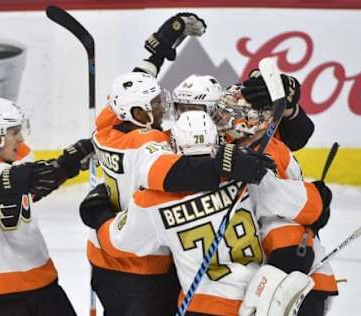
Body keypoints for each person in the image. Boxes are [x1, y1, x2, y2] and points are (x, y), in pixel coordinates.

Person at [88, 13, 275, 316]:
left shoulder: (105, 128)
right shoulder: (149, 145)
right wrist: (225, 163)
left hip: (105, 254)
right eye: (155, 103)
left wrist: (157, 53)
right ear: (137, 112)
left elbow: (131, 88)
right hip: (143, 266)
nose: (162, 107)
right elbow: (174, 175)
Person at [80, 110, 328, 316]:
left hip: (201, 307)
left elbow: (117, 243)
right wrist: (320, 194)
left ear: (174, 146)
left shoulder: (151, 201)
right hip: (256, 303)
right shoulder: (245, 179)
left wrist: (99, 212)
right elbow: (312, 206)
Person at [0, 97, 94, 316]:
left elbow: (31, 191)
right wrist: (9, 180)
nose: (21, 139)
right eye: (14, 132)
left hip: (42, 280)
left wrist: (67, 165)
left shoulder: (20, 157)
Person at [212, 85, 338, 315]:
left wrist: (317, 202)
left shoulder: (266, 155)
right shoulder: (247, 147)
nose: (222, 118)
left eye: (232, 112)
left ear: (253, 120)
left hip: (296, 282)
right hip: (282, 276)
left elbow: (286, 214)